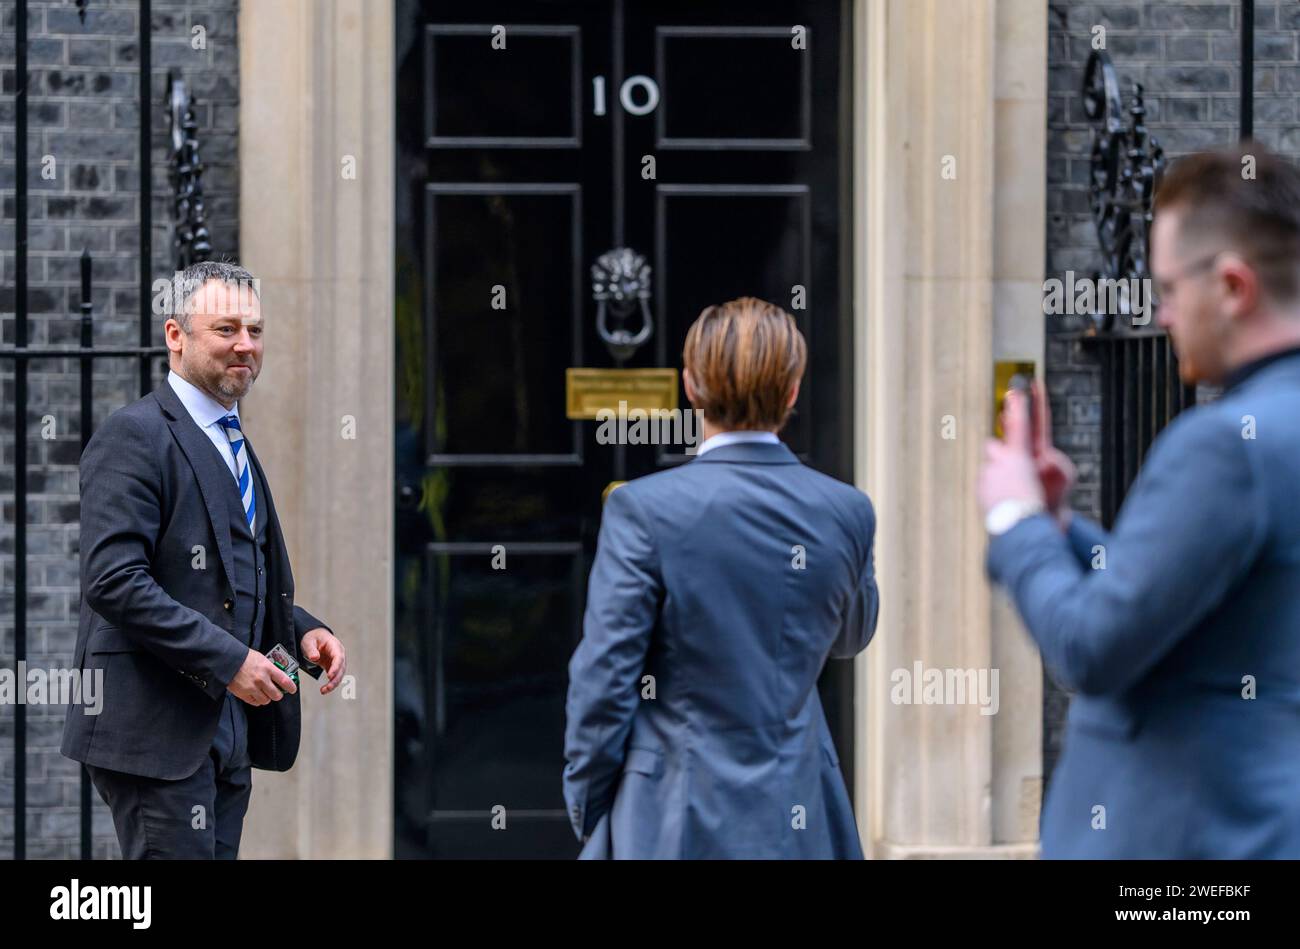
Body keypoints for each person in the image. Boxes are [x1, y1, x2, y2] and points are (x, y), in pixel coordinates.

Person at [979, 145, 1300, 857]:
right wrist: (1064, 529)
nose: (1160, 315)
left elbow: (1093, 646)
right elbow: (1175, 590)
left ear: (1234, 287)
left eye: (1170, 288)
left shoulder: (1226, 447)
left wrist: (1015, 520)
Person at [563, 296, 879, 858]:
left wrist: (589, 804)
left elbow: (605, 679)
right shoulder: (847, 510)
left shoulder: (644, 509)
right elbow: (850, 637)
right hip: (800, 810)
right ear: (792, 391)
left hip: (671, 815)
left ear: (690, 385)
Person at [61, 260, 347, 859]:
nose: (246, 345)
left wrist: (303, 630)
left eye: (256, 330)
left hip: (227, 730)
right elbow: (114, 583)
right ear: (176, 336)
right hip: (156, 733)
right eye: (226, 330)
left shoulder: (231, 437)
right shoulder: (133, 436)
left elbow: (231, 577)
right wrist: (229, 661)